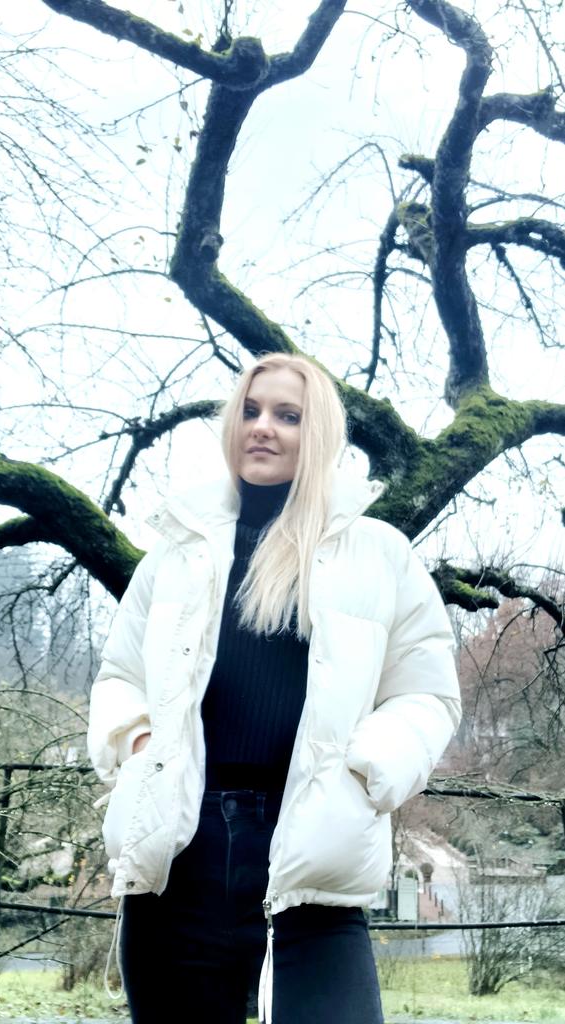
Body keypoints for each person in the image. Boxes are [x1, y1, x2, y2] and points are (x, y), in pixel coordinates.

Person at [87, 353, 461, 1024]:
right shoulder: (177, 551)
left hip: (314, 845)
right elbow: (120, 677)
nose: (263, 427)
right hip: (178, 853)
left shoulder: (378, 553)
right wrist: (140, 744)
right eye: (251, 411)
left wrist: (364, 769)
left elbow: (426, 694)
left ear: (319, 434)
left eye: (288, 415)